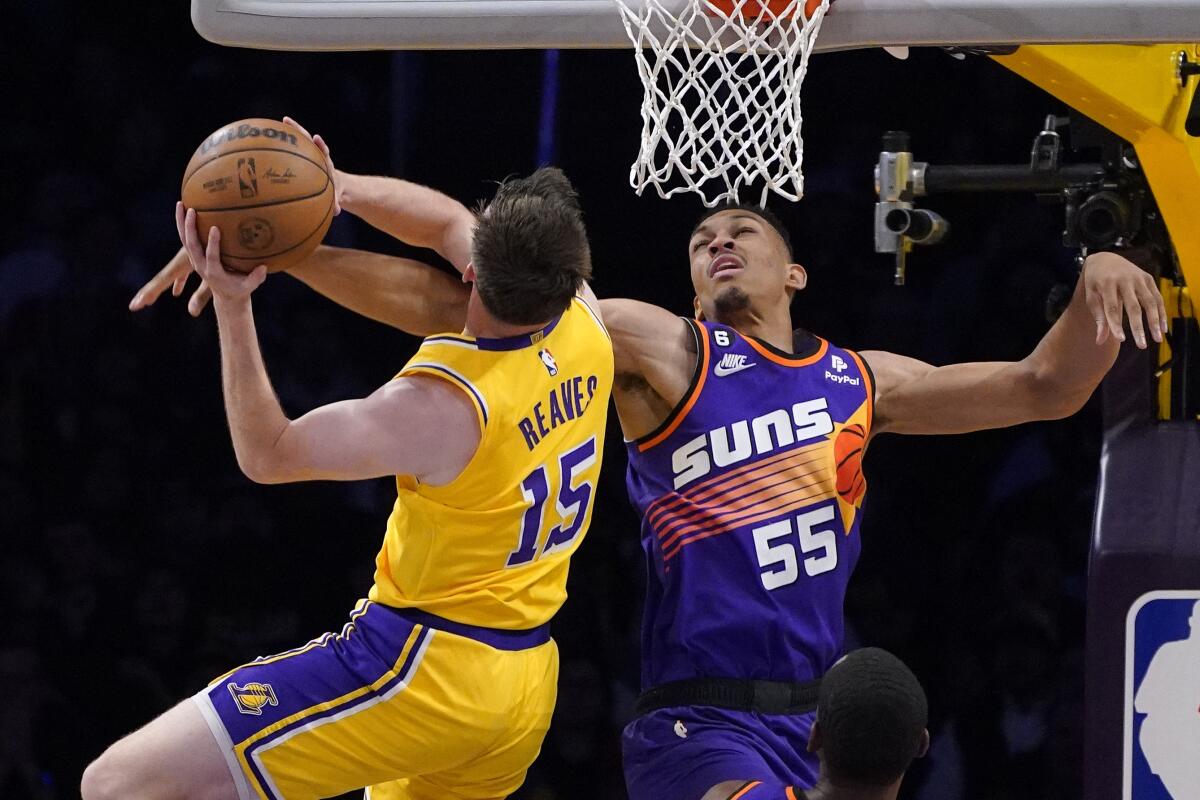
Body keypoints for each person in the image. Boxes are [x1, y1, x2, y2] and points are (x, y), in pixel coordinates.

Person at [137, 147, 1163, 800]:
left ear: (794, 271)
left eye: (743, 233)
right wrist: (294, 248)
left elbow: (1042, 386)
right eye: (702, 238)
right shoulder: (654, 347)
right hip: (698, 718)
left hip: (821, 720)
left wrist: (1102, 279)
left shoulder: (863, 380)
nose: (719, 242)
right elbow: (453, 299)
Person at [85, 156, 613, 799]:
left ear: (472, 272)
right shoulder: (587, 324)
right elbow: (445, 222)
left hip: (422, 668)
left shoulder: (442, 406)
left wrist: (232, 300)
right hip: (523, 682)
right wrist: (339, 192)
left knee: (117, 784)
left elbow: (269, 453)